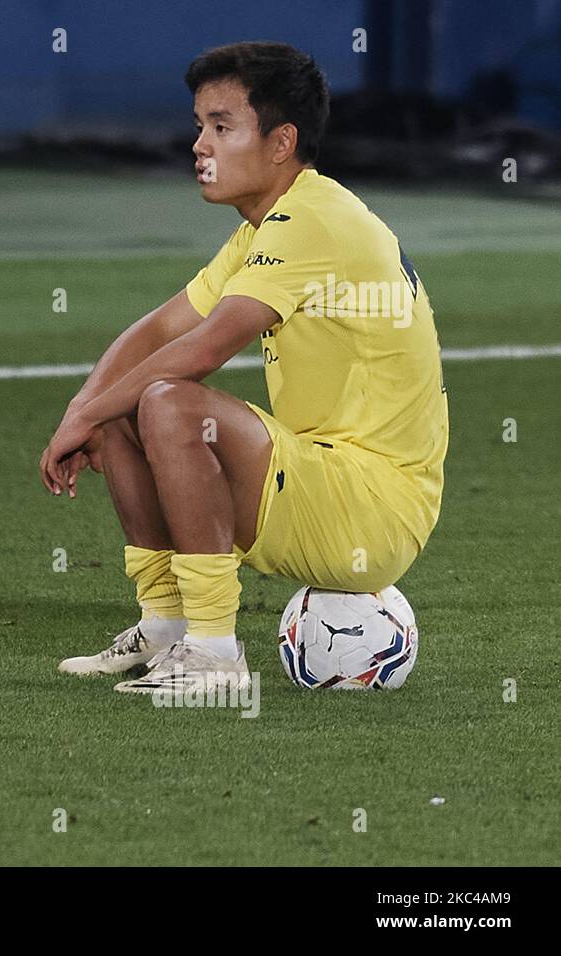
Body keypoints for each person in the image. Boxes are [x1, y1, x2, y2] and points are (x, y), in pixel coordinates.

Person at [41, 41, 447, 693]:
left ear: (281, 141)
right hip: (322, 473)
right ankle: (167, 626)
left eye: (222, 127)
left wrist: (88, 412)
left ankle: (215, 654)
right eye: (200, 125)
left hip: (373, 505)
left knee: (167, 400)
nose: (200, 145)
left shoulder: (315, 222)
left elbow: (202, 351)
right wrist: (84, 412)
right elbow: (156, 330)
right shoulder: (269, 226)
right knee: (127, 400)